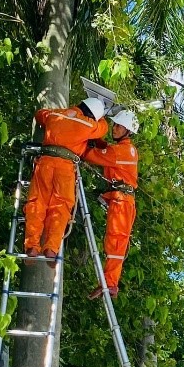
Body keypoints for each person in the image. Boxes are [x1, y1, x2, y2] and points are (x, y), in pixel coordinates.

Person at [25, 98, 109, 263]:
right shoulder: (89, 124)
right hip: (65, 167)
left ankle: (32, 246)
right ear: (93, 115)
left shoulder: (55, 114)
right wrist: (104, 116)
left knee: (37, 202)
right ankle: (51, 248)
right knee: (61, 207)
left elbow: (40, 114)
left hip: (45, 163)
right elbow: (103, 129)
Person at [82, 110, 140, 299]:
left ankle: (110, 283)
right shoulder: (124, 149)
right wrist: (98, 142)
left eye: (119, 126)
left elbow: (93, 156)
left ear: (128, 131)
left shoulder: (121, 151)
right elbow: (106, 151)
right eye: (114, 125)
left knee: (115, 242)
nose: (114, 128)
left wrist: (78, 139)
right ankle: (109, 282)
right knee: (114, 241)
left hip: (122, 201)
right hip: (122, 200)